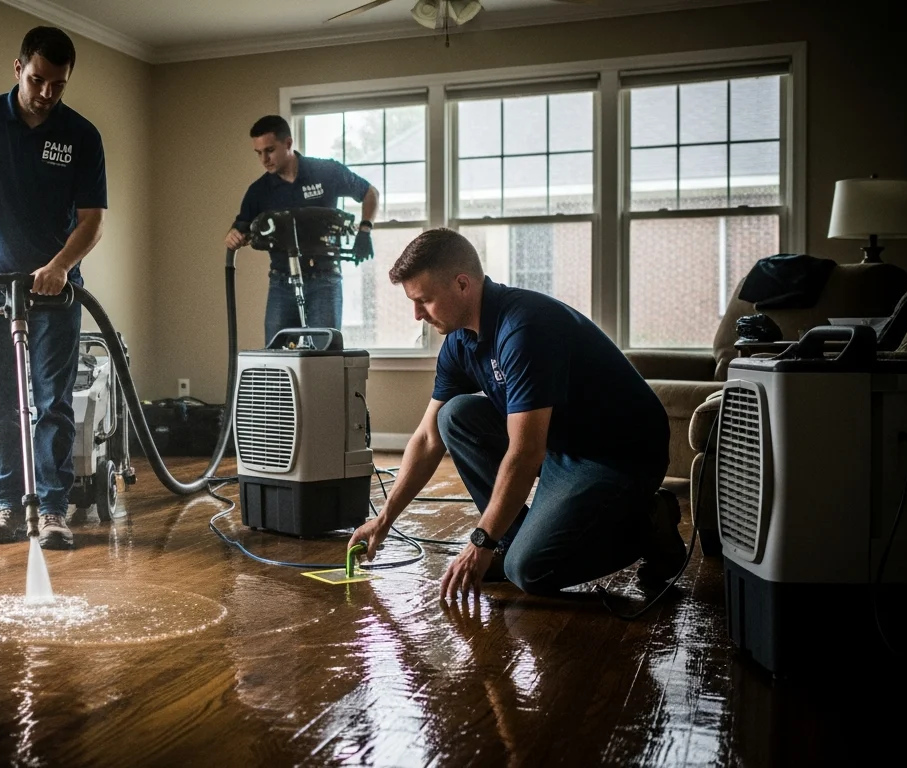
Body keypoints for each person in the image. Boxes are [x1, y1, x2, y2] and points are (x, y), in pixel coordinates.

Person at [349, 229, 686, 601]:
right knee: (454, 417)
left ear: (462, 284)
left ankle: (650, 524)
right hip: (561, 444)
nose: (417, 315)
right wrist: (384, 520)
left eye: (424, 300)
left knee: (528, 570)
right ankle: (508, 542)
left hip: (617, 454)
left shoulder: (524, 328)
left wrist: (480, 540)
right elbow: (429, 437)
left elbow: (525, 453)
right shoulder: (460, 341)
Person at [0, 26, 106, 550]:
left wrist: (58, 265)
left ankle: (54, 509)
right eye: (38, 79)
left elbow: (92, 219)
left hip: (55, 293)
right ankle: (8, 504)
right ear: (18, 68)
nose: (47, 93)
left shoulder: (81, 135)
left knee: (54, 403)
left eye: (58, 83)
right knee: (1, 404)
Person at [224, 115, 380, 344]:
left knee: (324, 355)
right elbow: (241, 228)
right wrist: (233, 236)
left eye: (269, 150)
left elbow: (370, 193)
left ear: (288, 143)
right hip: (281, 283)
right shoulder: (258, 191)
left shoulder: (325, 171)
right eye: (258, 153)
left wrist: (365, 230)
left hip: (324, 279)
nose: (264, 159)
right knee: (276, 357)